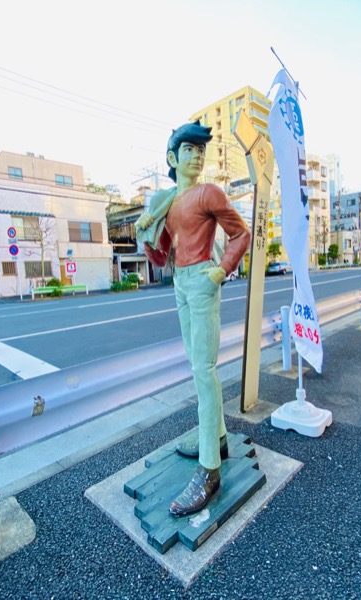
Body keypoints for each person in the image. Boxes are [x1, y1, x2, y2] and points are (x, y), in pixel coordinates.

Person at [136, 120, 251, 517]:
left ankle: (210, 471)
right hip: (180, 283)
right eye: (189, 150)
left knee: (204, 370)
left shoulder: (208, 193)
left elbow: (241, 234)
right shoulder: (168, 203)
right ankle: (216, 439)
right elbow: (159, 254)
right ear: (173, 157)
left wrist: (222, 270)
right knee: (196, 365)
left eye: (200, 150)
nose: (197, 155)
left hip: (202, 279)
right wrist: (144, 231)